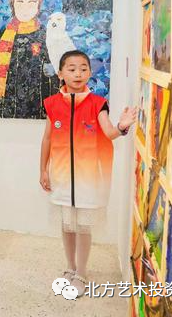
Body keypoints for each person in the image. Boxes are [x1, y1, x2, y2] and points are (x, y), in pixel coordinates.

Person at [39, 50, 137, 296]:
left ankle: (81, 273)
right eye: (71, 69)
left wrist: (122, 126)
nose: (78, 74)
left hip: (88, 178)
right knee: (67, 225)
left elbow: (109, 132)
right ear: (60, 73)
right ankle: (70, 267)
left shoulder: (97, 103)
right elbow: (47, 138)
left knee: (83, 227)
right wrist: (43, 170)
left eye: (83, 69)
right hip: (61, 176)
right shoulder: (51, 104)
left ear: (90, 73)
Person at [0, 0, 59, 119]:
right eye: (20, 2)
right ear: (13, 5)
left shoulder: (48, 37)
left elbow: (54, 78)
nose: (25, 8)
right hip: (3, 111)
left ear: (38, 7)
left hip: (36, 109)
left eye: (31, 3)